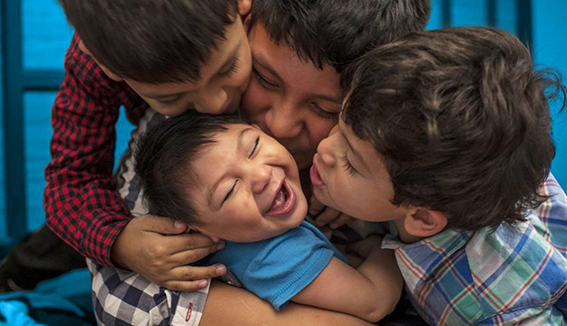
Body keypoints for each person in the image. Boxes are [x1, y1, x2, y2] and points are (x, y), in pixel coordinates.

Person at [311, 27, 567, 325]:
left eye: (350, 162)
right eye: (339, 124)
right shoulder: (470, 165)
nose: (324, 148)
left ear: (423, 219)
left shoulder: (489, 308)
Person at [45, 0, 265, 292]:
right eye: (171, 98)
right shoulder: (95, 60)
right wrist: (121, 242)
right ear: (106, 66)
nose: (214, 104)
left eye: (227, 68)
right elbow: (70, 180)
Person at [131, 111, 403, 323]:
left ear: (260, 130)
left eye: (254, 147)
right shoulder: (277, 257)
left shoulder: (249, 234)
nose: (261, 176)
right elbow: (376, 302)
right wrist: (384, 246)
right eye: (230, 190)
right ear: (199, 230)